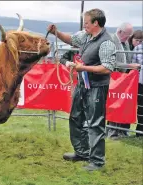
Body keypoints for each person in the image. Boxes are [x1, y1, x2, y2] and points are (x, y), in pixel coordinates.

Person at [47, 8, 116, 171]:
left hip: (97, 87)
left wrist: (84, 68)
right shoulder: (86, 35)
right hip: (82, 85)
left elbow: (107, 68)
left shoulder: (107, 42)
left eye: (86, 23)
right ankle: (82, 152)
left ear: (95, 23)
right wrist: (56, 32)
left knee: (95, 123)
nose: (84, 25)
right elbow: (71, 39)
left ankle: (97, 161)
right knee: (76, 117)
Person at [106, 23, 134, 139]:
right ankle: (112, 132)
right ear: (121, 32)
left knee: (123, 106)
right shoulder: (111, 41)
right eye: (127, 35)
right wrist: (130, 65)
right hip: (114, 79)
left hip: (124, 79)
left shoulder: (125, 42)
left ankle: (122, 131)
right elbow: (111, 61)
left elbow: (127, 57)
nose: (128, 38)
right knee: (114, 106)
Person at [128, 30, 143, 137]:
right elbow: (132, 67)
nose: (138, 42)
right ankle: (140, 130)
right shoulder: (137, 48)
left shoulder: (137, 48)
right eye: (136, 40)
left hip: (139, 80)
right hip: (139, 81)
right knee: (140, 106)